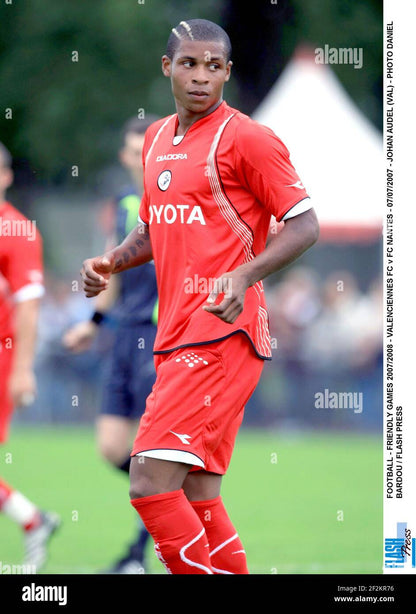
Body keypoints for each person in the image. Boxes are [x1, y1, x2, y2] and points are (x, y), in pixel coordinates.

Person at [80, 19, 319, 574]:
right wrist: (111, 260)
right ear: (167, 67)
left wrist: (242, 274)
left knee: (147, 480)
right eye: (189, 63)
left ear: (228, 73)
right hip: (177, 333)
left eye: (214, 66)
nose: (201, 76)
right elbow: (152, 228)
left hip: (223, 332)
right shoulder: (159, 139)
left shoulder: (248, 138)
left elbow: (304, 225)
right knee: (197, 492)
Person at [63, 116, 159, 573]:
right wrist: (93, 322)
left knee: (152, 455)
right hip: (123, 335)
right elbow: (111, 273)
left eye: (148, 148)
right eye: (133, 151)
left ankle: (137, 555)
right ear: (126, 157)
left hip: (160, 337)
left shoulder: (178, 202)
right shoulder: (124, 204)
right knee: (111, 447)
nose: (140, 158)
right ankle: (176, 500)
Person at [0, 142, 60, 571]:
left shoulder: (17, 231)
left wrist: (21, 370)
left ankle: (33, 520)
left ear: (5, 177)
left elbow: (28, 306)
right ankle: (33, 520)